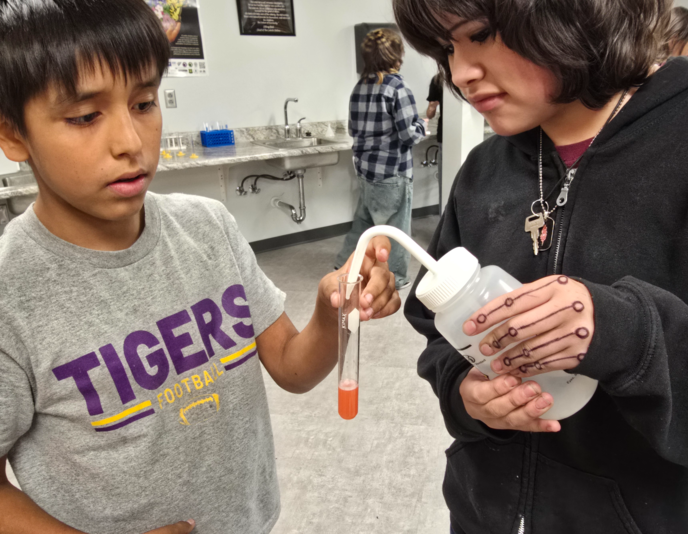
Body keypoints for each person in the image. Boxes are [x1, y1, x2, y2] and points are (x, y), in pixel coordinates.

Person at [393, 0, 688, 533]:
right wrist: (468, 397)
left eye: (484, 34)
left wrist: (630, 337)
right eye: (447, 48)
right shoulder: (486, 169)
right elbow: (439, 334)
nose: (460, 73)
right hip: (482, 511)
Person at [0, 1, 399, 533]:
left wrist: (332, 313)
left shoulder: (208, 227)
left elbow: (291, 366)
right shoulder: (12, 294)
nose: (129, 142)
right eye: (84, 116)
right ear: (13, 134)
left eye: (143, 103)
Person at [335, 28, 427, 290]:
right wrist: (422, 125)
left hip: (365, 170)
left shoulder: (359, 87)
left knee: (364, 224)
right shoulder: (398, 87)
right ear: (397, 56)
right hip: (392, 172)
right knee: (396, 231)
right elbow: (409, 135)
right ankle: (395, 278)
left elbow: (354, 129)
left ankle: (346, 267)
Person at [427, 72, 444, 208]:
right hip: (446, 135)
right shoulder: (439, 79)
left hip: (445, 135)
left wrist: (433, 106)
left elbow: (430, 113)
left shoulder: (438, 79)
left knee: (444, 182)